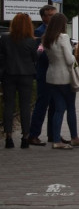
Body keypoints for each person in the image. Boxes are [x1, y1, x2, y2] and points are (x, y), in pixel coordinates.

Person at [42, 13, 79, 150]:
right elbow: (69, 60)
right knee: (70, 107)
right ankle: (74, 137)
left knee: (58, 109)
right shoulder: (63, 37)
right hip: (65, 77)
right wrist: (73, 52)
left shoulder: (47, 38)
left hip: (52, 77)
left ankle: (56, 139)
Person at [0, 13, 39, 149]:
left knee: (8, 105)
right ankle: (25, 137)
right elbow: (35, 58)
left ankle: (9, 137)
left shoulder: (5, 38)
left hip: (8, 74)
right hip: (26, 75)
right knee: (25, 106)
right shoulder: (31, 41)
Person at [25, 4, 56, 146]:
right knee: (42, 104)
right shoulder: (39, 32)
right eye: (50, 15)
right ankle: (34, 134)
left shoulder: (56, 30)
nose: (53, 17)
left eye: (54, 14)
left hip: (55, 73)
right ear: (43, 17)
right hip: (44, 73)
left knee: (55, 105)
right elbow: (39, 54)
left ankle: (53, 134)